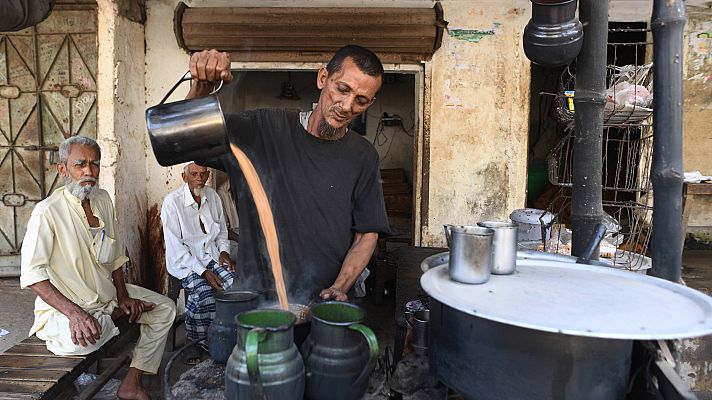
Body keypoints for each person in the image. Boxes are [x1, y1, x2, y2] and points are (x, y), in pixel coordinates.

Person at [186, 45, 391, 302]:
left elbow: (367, 235)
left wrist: (339, 286)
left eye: (361, 101)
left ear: (370, 103)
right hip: (255, 304)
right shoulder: (263, 129)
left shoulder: (363, 156)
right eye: (342, 89)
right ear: (322, 78)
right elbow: (187, 141)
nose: (347, 106)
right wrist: (201, 89)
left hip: (322, 305)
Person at [20, 136, 176, 400]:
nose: (88, 172)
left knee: (166, 309)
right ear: (62, 169)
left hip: (107, 295)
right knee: (79, 340)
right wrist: (75, 314)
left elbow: (114, 256)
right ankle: (111, 316)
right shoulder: (47, 212)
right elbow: (33, 276)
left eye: (94, 164)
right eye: (80, 164)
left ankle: (132, 381)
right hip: (71, 305)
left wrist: (124, 295)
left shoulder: (102, 199)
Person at [161, 162, 235, 345]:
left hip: (211, 255)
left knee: (235, 285)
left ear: (208, 174)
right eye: (194, 174)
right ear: (184, 177)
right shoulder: (172, 202)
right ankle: (196, 342)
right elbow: (176, 249)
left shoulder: (213, 196)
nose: (199, 179)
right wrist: (204, 272)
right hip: (185, 262)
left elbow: (222, 231)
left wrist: (224, 252)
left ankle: (226, 336)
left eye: (203, 174)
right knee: (204, 295)